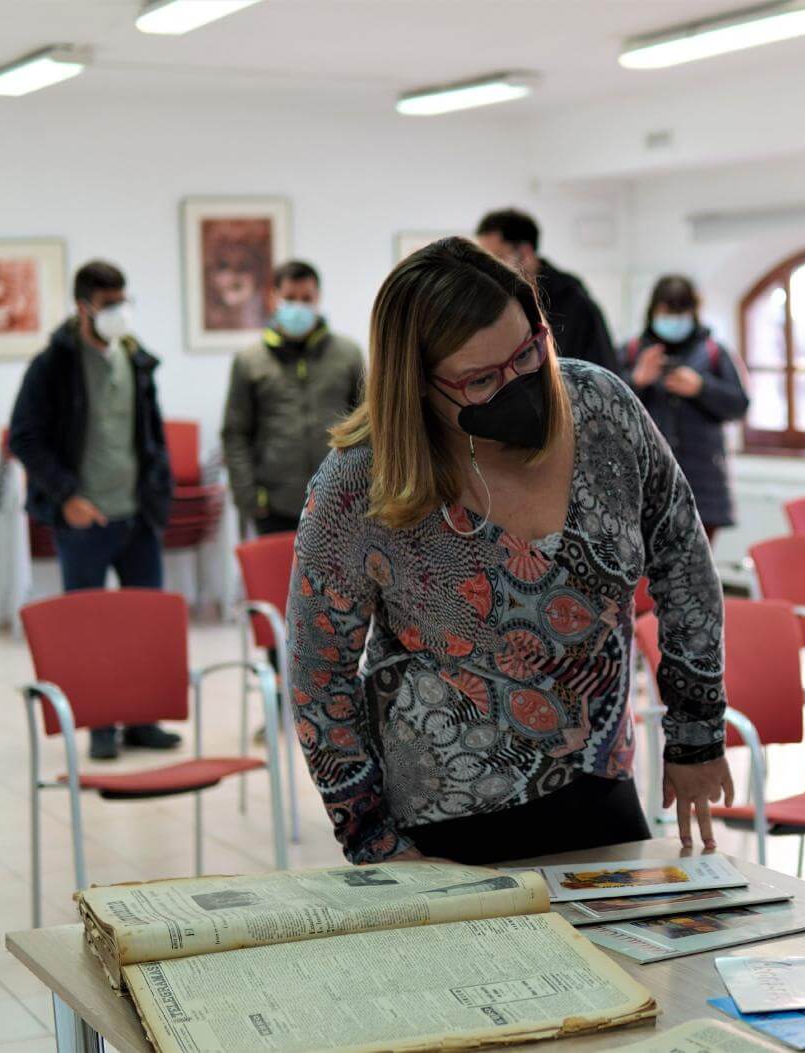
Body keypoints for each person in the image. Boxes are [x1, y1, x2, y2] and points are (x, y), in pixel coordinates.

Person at [286, 237, 734, 866]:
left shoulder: (601, 409)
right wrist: (371, 839)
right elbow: (317, 675)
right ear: (416, 384)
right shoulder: (361, 481)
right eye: (480, 379)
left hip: (601, 785)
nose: (517, 384)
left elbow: (684, 564)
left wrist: (696, 735)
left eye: (528, 352)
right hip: (441, 824)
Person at [7, 260, 181, 761]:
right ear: (82, 306)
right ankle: (100, 724)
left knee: (145, 624)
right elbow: (25, 436)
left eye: (123, 302)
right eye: (108, 305)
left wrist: (158, 496)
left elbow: (150, 435)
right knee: (90, 629)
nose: (118, 312)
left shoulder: (136, 359)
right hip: (84, 519)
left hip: (138, 516)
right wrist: (67, 497)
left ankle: (144, 721)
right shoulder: (53, 365)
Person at [222, 260, 365, 537]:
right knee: (276, 580)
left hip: (340, 502)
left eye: (306, 298)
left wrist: (363, 489)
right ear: (273, 297)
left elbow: (367, 426)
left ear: (318, 299)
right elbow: (235, 433)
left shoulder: (348, 354)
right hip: (275, 507)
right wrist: (249, 498)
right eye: (289, 298)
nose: (298, 306)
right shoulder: (249, 360)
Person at [622, 275, 750, 543]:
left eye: (682, 312)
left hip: (703, 487)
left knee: (698, 574)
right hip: (644, 484)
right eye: (668, 312)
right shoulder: (631, 352)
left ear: (694, 313)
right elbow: (604, 408)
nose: (674, 319)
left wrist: (701, 388)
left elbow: (740, 405)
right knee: (646, 574)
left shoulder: (715, 352)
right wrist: (637, 381)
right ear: (653, 311)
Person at [475, 208, 621, 374]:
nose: (487, 270)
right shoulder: (495, 303)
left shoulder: (574, 303)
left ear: (525, 252)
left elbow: (602, 373)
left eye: (497, 258)